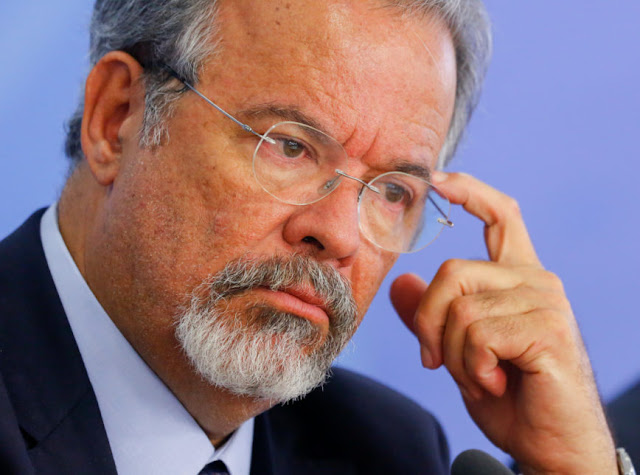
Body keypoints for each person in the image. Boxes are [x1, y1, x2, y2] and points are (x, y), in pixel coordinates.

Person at [0, 0, 628, 473]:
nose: (338, 235)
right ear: (117, 120)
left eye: (392, 192)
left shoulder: (389, 452)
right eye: (291, 147)